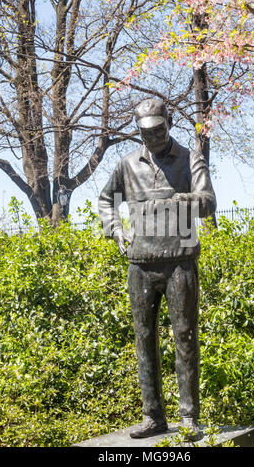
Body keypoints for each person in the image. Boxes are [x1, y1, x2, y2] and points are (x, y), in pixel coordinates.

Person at [98, 98, 216, 439]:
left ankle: (189, 417)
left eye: (158, 130)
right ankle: (154, 417)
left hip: (180, 260)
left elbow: (208, 202)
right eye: (146, 132)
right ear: (138, 131)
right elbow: (107, 200)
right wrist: (116, 230)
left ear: (169, 123)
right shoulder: (126, 164)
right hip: (141, 263)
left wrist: (178, 199)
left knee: (185, 338)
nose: (153, 137)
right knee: (144, 338)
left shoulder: (190, 159)